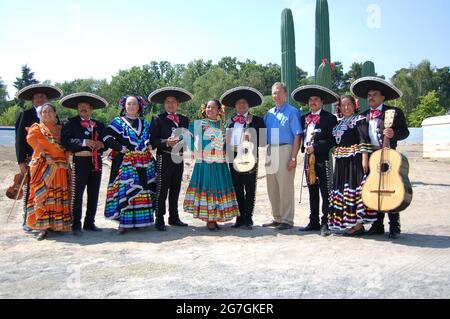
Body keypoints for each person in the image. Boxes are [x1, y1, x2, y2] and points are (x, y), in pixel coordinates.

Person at [351, 77, 410, 239]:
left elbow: (405, 132)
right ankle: (377, 224)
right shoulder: (362, 116)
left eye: (375, 94)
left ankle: (394, 226)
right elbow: (361, 138)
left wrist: (394, 134)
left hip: (389, 155)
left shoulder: (394, 112)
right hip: (370, 156)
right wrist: (363, 156)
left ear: (383, 97)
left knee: (391, 189)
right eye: (369, 95)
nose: (371, 97)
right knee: (374, 190)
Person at [103, 96, 157, 234]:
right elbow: (105, 137)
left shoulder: (144, 123)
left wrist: (150, 144)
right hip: (125, 162)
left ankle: (141, 221)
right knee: (125, 190)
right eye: (129, 104)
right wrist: (119, 147)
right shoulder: (117, 122)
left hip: (143, 162)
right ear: (124, 106)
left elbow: (151, 138)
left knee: (144, 189)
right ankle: (123, 223)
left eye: (134, 104)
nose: (132, 106)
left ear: (139, 106)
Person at [184, 100, 240, 231]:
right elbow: (186, 135)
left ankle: (215, 218)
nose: (210, 109)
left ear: (219, 110)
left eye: (213, 107)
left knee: (218, 188)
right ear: (205, 109)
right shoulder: (199, 124)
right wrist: (195, 150)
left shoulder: (224, 125)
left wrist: (227, 142)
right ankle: (209, 219)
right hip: (205, 163)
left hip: (220, 164)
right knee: (209, 188)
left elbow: (229, 145)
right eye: (208, 107)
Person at [14, 84, 63, 232]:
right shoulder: (25, 114)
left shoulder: (54, 115)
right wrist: (21, 161)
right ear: (32, 100)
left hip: (52, 161)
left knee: (47, 192)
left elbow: (58, 138)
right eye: (36, 97)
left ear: (47, 99)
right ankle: (28, 221)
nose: (40, 99)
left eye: (42, 97)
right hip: (33, 159)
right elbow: (19, 139)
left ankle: (46, 220)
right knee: (31, 190)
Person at [328, 95, 378, 236]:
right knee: (343, 191)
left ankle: (358, 225)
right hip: (342, 162)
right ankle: (348, 222)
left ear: (354, 105)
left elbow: (363, 138)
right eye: (343, 105)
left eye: (349, 104)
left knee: (354, 189)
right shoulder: (339, 123)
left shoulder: (359, 120)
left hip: (355, 160)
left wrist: (364, 157)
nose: (346, 108)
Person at [293, 85, 339, 237]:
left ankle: (326, 222)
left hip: (323, 158)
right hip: (308, 158)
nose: (313, 102)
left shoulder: (330, 118)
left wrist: (316, 146)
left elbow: (333, 141)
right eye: (311, 100)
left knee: (325, 192)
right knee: (312, 190)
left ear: (322, 102)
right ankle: (313, 221)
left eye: (316, 100)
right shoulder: (303, 118)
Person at [61, 93, 108, 236]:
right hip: (79, 162)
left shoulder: (99, 125)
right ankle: (76, 225)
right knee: (77, 194)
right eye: (80, 106)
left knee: (93, 193)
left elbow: (106, 142)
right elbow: (65, 142)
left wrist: (102, 144)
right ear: (77, 108)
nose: (83, 108)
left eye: (86, 106)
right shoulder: (70, 123)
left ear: (91, 108)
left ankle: (89, 223)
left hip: (96, 162)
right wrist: (84, 142)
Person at [220, 86, 266, 229]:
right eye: (239, 103)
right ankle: (239, 218)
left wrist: (252, 137)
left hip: (250, 159)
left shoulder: (257, 120)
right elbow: (225, 143)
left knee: (250, 189)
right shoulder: (229, 122)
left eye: (244, 103)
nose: (241, 105)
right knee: (237, 189)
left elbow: (264, 141)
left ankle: (248, 218)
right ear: (235, 106)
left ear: (248, 105)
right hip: (233, 159)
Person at [25, 103, 72, 241]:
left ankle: (56, 225)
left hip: (60, 168)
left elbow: (66, 145)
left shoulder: (61, 129)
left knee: (57, 195)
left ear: (55, 113)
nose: (47, 114)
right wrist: (46, 155)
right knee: (41, 195)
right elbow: (32, 141)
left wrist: (67, 154)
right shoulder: (37, 128)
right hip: (43, 166)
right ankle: (42, 227)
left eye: (50, 111)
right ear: (40, 115)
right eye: (44, 112)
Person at [149, 87, 193, 231]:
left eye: (173, 102)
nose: (171, 104)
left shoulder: (184, 119)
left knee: (176, 189)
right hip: (164, 157)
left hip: (179, 158)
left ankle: (174, 217)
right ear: (164, 104)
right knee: (162, 189)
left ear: (178, 104)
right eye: (168, 102)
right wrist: (166, 142)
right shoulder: (157, 119)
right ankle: (159, 218)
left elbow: (187, 138)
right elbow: (153, 140)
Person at [263, 83, 303, 231]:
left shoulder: (292, 112)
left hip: (285, 148)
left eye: (279, 93)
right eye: (274, 93)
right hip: (270, 150)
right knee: (271, 186)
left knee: (285, 186)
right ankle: (277, 217)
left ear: (285, 94)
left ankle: (287, 219)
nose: (276, 95)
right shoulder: (269, 113)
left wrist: (293, 158)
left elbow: (297, 135)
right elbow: (263, 134)